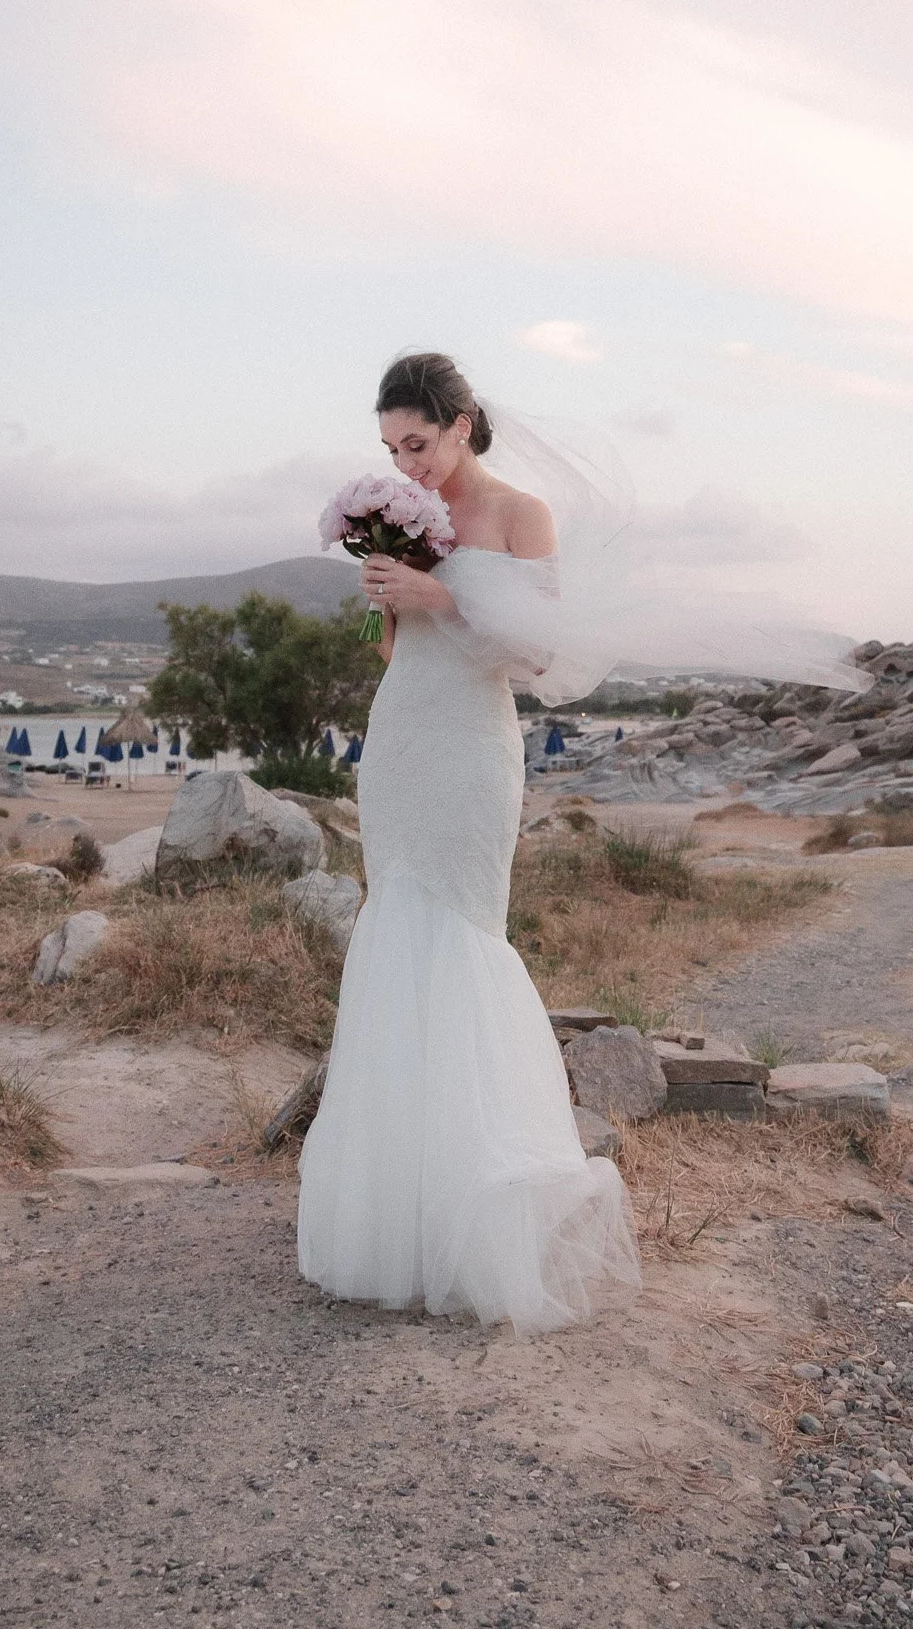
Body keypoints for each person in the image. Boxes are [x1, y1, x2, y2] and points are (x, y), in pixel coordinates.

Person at [297, 352, 641, 1334]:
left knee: (461, 933)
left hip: (474, 747)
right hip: (401, 736)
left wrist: (443, 591)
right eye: (390, 449)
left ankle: (486, 1200)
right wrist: (390, 599)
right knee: (395, 926)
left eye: (417, 442)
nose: (407, 463)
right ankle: (400, 1212)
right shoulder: (408, 519)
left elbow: (537, 655)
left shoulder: (520, 515)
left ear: (461, 425)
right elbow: (398, 654)